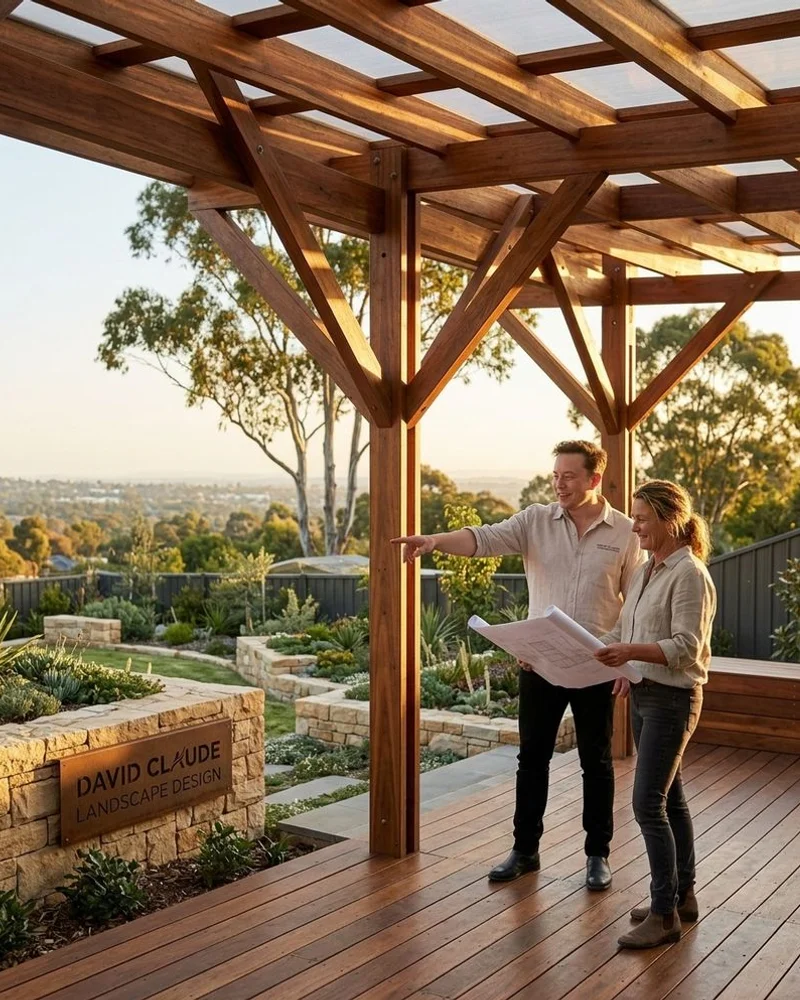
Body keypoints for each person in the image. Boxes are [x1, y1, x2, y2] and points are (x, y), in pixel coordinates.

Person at [394, 441, 644, 891]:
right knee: (532, 760)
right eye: (555, 476)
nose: (559, 484)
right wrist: (433, 542)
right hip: (540, 665)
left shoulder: (626, 532)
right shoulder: (534, 521)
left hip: (595, 668)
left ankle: (597, 855)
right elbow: (483, 539)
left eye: (569, 476)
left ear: (593, 479)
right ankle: (525, 850)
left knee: (597, 763)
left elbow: (635, 602)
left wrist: (624, 659)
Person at [594, 480, 716, 949]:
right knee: (671, 801)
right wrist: (605, 654)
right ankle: (683, 898)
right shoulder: (646, 570)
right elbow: (624, 632)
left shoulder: (689, 574)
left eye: (642, 519)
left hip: (672, 700)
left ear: (670, 520)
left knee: (647, 804)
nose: (635, 527)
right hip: (645, 695)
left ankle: (664, 914)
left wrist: (629, 652)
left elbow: (687, 647)